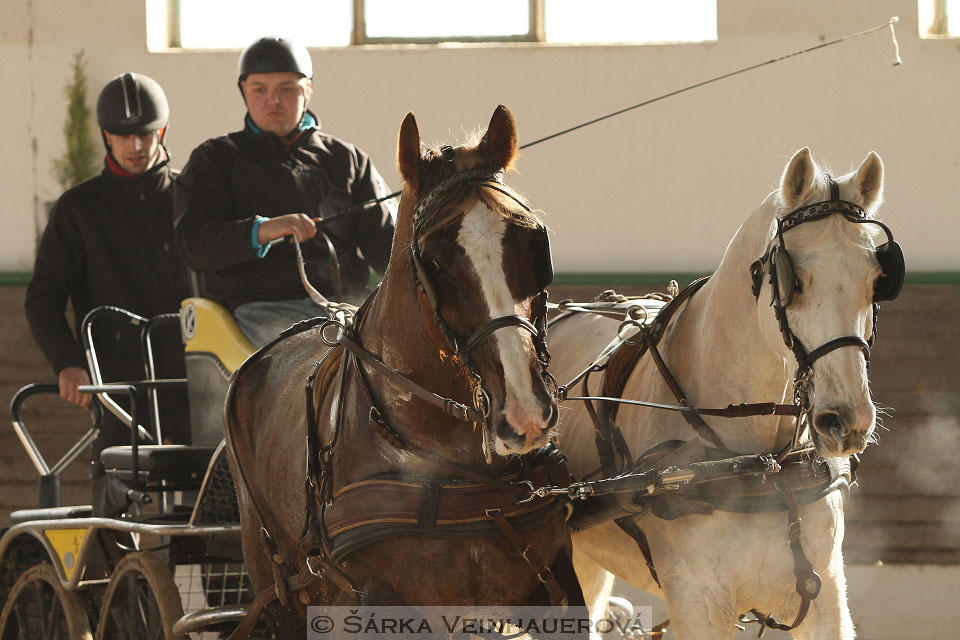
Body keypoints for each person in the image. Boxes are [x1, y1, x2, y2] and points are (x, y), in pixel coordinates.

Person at [173, 36, 396, 348]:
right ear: (244, 91)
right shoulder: (214, 159)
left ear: (308, 89)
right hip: (261, 309)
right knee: (322, 355)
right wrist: (262, 230)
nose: (273, 100)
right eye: (260, 89)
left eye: (286, 88)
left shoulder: (348, 159)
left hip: (348, 305)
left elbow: (387, 244)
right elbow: (193, 244)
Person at [25, 72, 192, 459]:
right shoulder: (77, 209)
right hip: (116, 382)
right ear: (106, 136)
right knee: (115, 493)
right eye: (122, 135)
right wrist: (66, 362)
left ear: (162, 131)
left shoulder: (193, 200)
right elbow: (43, 296)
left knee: (211, 496)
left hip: (194, 374)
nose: (135, 146)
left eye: (146, 134)